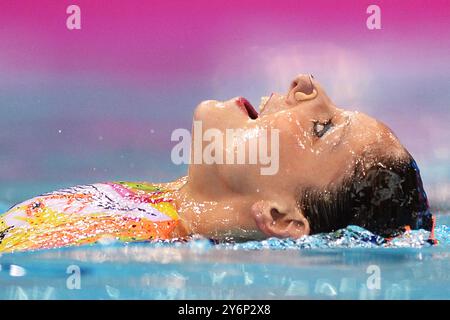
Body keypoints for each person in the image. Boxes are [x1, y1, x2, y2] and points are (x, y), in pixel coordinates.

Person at [0, 74, 433, 252]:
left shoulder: (141, 240)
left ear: (282, 218)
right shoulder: (156, 209)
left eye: (322, 129)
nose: (307, 84)